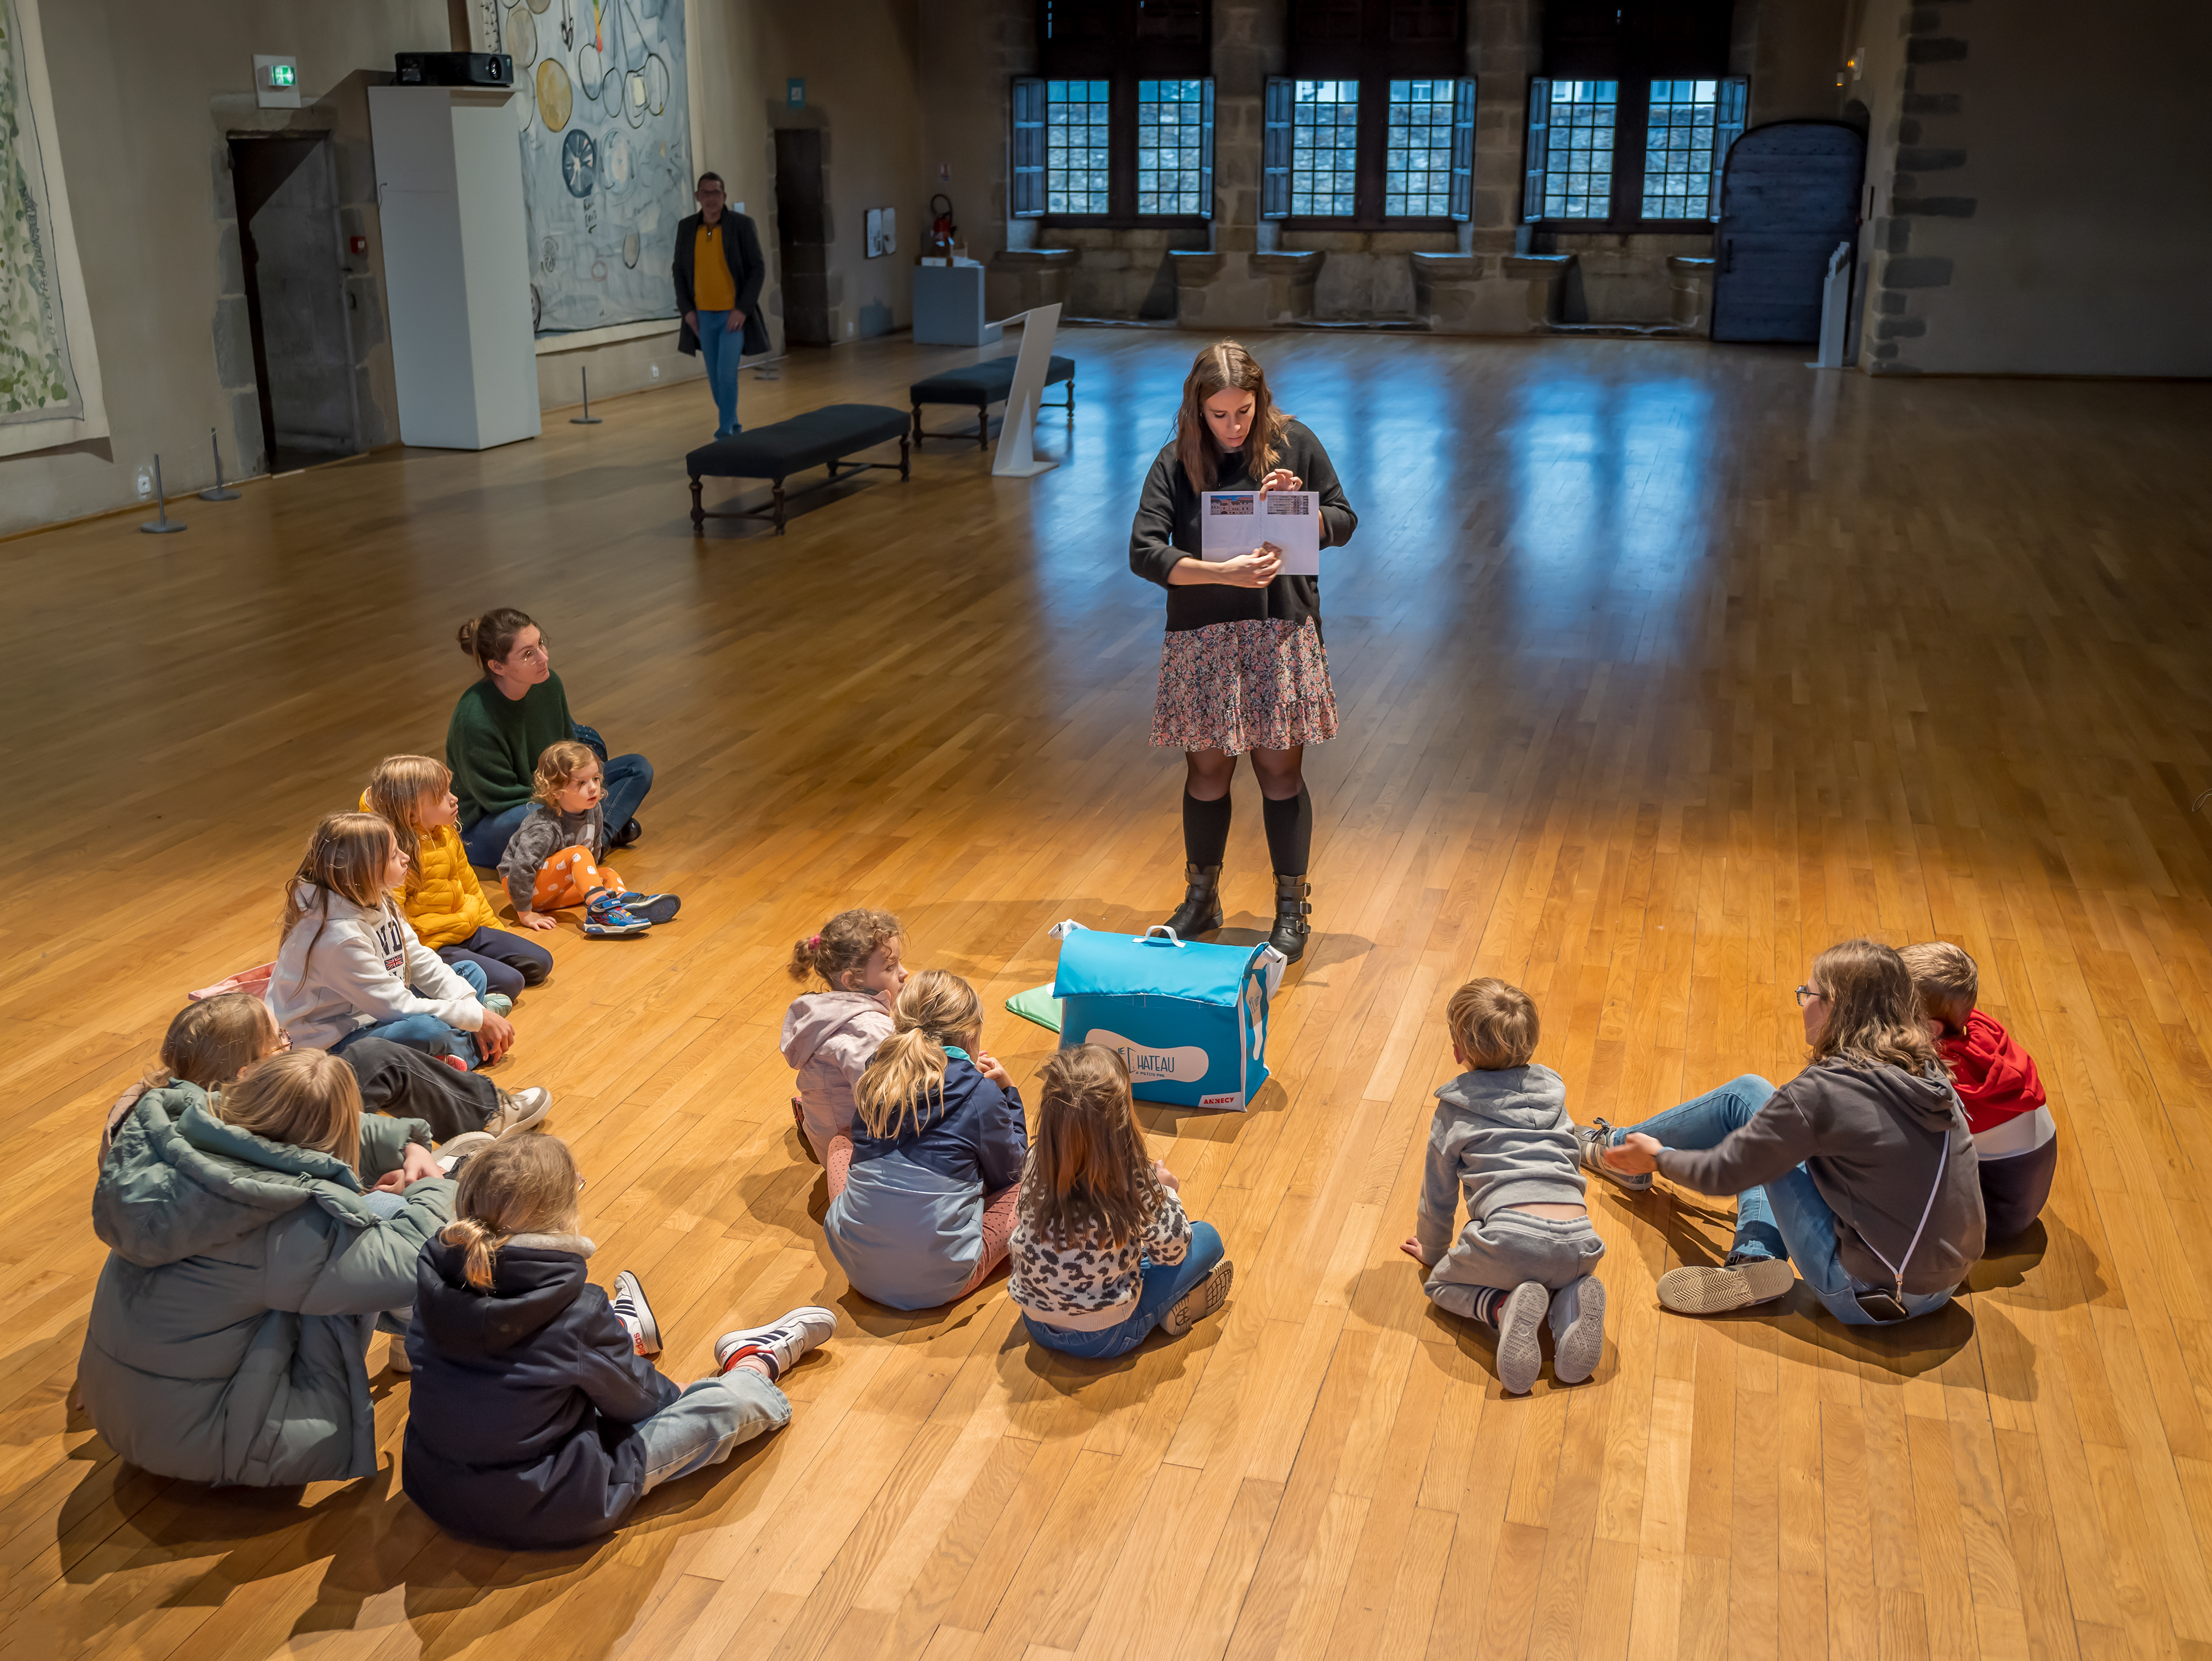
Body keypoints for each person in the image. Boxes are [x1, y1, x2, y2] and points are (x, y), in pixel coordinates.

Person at [402, 1136, 836, 1550]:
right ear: (562, 1217)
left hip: (436, 1486)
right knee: (727, 1408)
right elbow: (644, 1402)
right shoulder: (575, 1310)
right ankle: (753, 1364)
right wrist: (681, 1392)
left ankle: (620, 1335)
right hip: (548, 1503)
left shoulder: (433, 1276)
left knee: (531, 1383)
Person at [79, 1049, 457, 1486]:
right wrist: (435, 1189)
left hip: (123, 1414)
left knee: (362, 1238)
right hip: (211, 1442)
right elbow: (405, 1265)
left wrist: (405, 1143)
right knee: (390, 1216)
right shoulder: (280, 1217)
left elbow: (299, 1114)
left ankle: (432, 1344)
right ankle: (457, 1360)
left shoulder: (177, 1151)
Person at [1578, 939, 1985, 1325]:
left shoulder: (1824, 1092)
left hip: (1870, 1296)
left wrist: (1659, 1157)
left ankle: (1619, 1151)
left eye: (1808, 994)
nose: (1803, 1004)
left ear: (1835, 1008)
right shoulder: (1926, 1068)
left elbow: (1723, 1172)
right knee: (1767, 1117)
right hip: (1946, 1283)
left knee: (1749, 1106)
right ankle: (1753, 1257)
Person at [1128, 340, 1357, 965]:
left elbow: (1343, 518)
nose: (1233, 427)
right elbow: (1144, 551)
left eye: (1244, 412)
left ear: (1261, 402)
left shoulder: (1295, 443)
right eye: (1219, 415)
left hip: (1279, 631)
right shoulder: (1176, 461)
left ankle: (1291, 909)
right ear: (1197, 409)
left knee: (1279, 773)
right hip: (1203, 635)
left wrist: (1294, 511)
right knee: (1205, 772)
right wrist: (1219, 573)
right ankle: (1201, 899)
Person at [1397, 979, 1605, 1394]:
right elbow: (1568, 1156)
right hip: (1581, 1243)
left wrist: (1434, 1251)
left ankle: (1503, 1306)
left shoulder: (1455, 1110)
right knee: (1551, 1269)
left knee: (1440, 1284)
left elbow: (1437, 1196)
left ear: (1460, 1050)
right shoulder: (1554, 1097)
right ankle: (1570, 1301)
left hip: (1511, 1237)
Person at [103, 993, 547, 1158]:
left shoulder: (140, 1111)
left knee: (373, 1056)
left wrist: (402, 1143)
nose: (289, 1045)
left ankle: (482, 1112)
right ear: (246, 1073)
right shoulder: (251, 1148)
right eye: (281, 1042)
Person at [1010, 1045, 1233, 1360]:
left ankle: (1165, 1307)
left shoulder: (1035, 1162)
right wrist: (1168, 1191)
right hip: (1106, 1336)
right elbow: (1174, 1249)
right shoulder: (1131, 1179)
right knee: (1207, 1237)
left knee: (1125, 1251)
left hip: (1035, 1322)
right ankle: (1163, 1312)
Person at [823, 970, 1027, 1310]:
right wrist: (1007, 1093)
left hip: (858, 1270)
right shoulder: (982, 1093)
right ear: (970, 1034)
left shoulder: (876, 1075)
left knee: (841, 1143)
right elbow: (1012, 1171)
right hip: (947, 1281)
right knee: (1034, 1176)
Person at [267, 812, 516, 1069]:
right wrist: (477, 1019)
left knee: (471, 974)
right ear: (364, 870)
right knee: (425, 1029)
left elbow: (418, 958)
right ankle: (460, 1053)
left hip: (377, 1010)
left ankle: (437, 1056)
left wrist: (471, 1010)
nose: (406, 857)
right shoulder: (338, 937)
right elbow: (396, 1008)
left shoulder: (375, 896)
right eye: (394, 855)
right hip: (331, 1044)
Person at [448, 607, 654, 868]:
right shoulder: (473, 717)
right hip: (493, 822)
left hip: (556, 795)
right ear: (497, 666)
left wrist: (576, 789)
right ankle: (591, 834)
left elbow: (570, 752)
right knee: (538, 816)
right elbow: (499, 798)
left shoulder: (549, 685)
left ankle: (597, 840)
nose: (543, 657)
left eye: (541, 644)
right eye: (527, 654)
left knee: (637, 768)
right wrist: (571, 802)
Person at [1901, 941, 2057, 1243]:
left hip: (1994, 1213)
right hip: (2020, 1192)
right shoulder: (1972, 1025)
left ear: (1928, 1028)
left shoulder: (1941, 1079)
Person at [362, 753, 553, 1000]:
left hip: (467, 928)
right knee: (511, 982)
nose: (454, 799)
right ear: (412, 813)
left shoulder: (446, 832)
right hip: (435, 945)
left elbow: (470, 886)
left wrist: (496, 932)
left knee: (540, 963)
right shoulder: (393, 854)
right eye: (441, 796)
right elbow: (393, 918)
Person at [498, 740, 681, 939]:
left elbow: (592, 858)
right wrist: (525, 914)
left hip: (555, 890)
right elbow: (521, 868)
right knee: (578, 853)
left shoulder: (594, 810)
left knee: (607, 874)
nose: (593, 788)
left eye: (595, 778)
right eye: (582, 783)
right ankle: (601, 913)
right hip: (523, 888)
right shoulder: (544, 827)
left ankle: (623, 906)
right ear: (557, 790)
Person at [782, 908, 905, 1165]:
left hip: (831, 1136)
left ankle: (810, 1124)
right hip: (854, 1155)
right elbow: (886, 1105)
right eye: (891, 967)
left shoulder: (828, 1011)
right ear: (851, 981)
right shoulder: (866, 1031)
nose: (904, 973)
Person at [672, 171, 769, 440]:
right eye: (706, 193)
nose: (711, 199)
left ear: (724, 196)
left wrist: (743, 309)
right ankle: (734, 423)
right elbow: (679, 272)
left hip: (732, 317)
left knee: (727, 375)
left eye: (716, 193)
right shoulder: (687, 228)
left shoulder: (741, 226)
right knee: (715, 380)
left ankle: (725, 431)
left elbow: (757, 269)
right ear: (697, 197)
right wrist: (687, 311)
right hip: (702, 317)